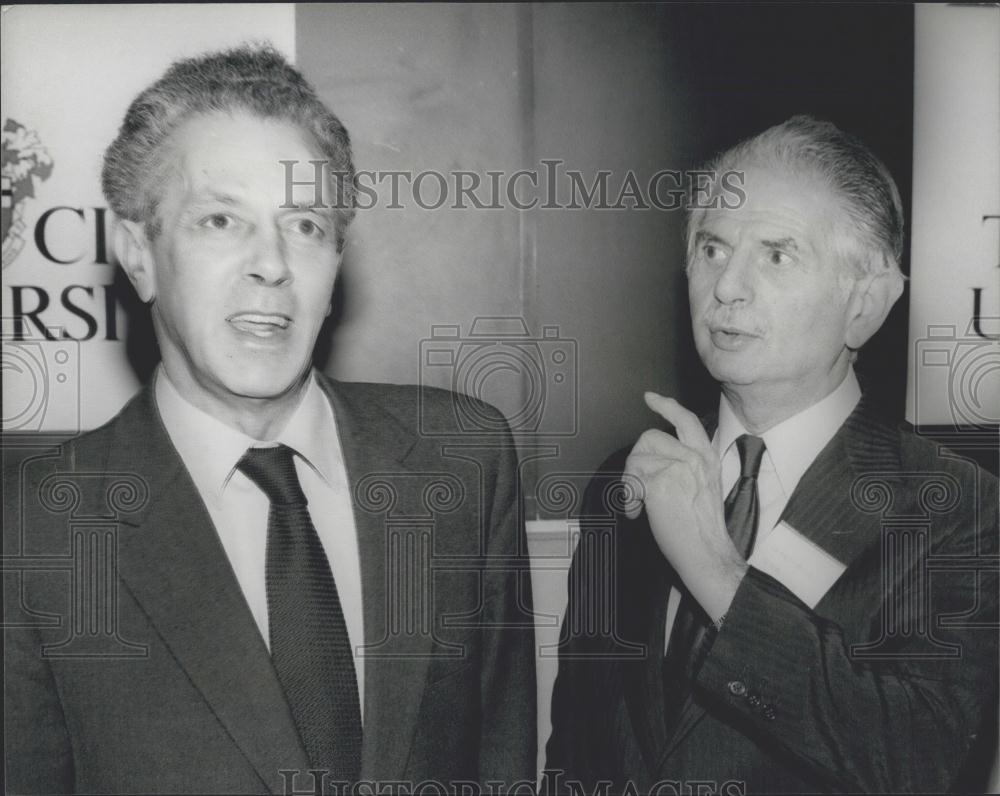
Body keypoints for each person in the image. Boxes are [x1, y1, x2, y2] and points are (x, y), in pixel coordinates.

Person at [3, 45, 536, 794]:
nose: (272, 263)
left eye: (307, 226)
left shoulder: (463, 461)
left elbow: (501, 759)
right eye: (220, 220)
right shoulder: (36, 530)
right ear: (139, 255)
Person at [545, 116, 998, 794]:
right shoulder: (628, 482)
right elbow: (575, 752)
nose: (727, 286)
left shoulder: (954, 505)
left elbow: (921, 761)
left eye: (777, 254)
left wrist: (717, 573)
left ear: (865, 307)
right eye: (712, 248)